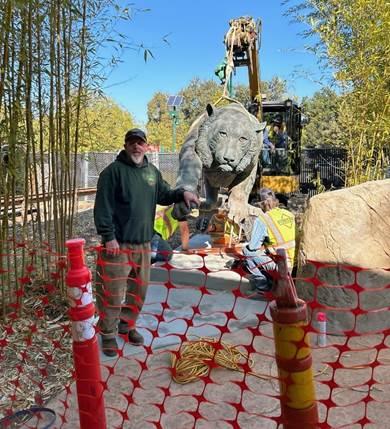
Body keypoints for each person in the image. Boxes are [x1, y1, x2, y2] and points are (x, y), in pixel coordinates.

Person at [94, 128, 199, 357]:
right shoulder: (112, 173)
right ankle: (108, 334)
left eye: (140, 142)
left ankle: (127, 325)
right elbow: (102, 208)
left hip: (143, 244)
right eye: (131, 142)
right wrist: (108, 237)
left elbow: (164, 194)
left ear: (146, 146)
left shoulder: (151, 172)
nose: (136, 146)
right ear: (125, 145)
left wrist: (183, 194)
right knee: (112, 292)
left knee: (137, 291)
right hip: (118, 245)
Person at [242, 187, 296, 295]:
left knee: (247, 251)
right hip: (295, 264)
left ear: (263, 204)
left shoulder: (263, 219)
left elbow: (253, 247)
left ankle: (262, 286)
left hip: (282, 266)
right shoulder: (289, 214)